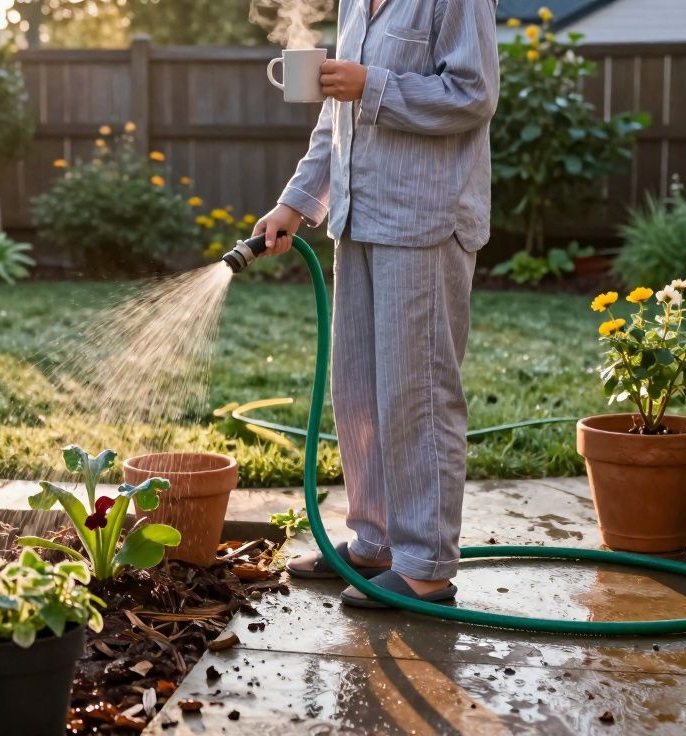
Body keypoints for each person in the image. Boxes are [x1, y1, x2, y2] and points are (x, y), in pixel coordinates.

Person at [254, 0, 498, 608]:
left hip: (425, 218)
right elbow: (336, 117)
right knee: (360, 390)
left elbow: (473, 94)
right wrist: (297, 202)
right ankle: (375, 542)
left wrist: (373, 85)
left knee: (417, 393)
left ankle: (426, 567)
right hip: (359, 220)